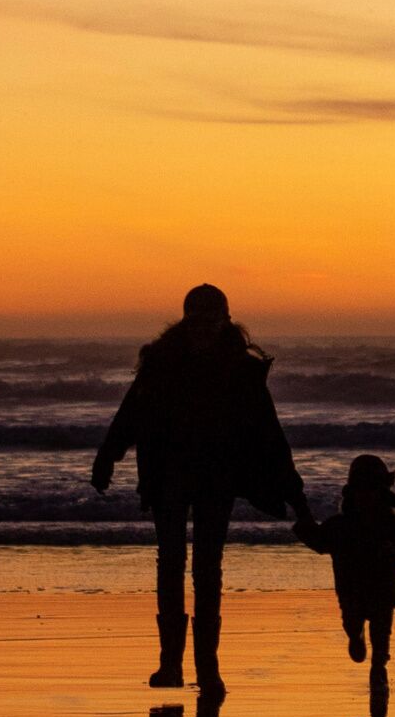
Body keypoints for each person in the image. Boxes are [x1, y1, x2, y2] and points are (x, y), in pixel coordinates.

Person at [92, 284, 303, 695]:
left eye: (211, 320)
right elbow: (130, 415)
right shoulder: (160, 364)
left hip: (216, 477)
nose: (204, 328)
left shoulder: (242, 369)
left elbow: (269, 433)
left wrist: (294, 489)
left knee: (207, 567)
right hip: (167, 475)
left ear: (224, 321)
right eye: (198, 321)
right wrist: (107, 458)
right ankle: (170, 663)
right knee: (171, 562)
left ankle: (208, 667)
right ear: (187, 322)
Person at [293, 452, 395, 672]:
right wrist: (303, 522)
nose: (366, 496)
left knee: (381, 633)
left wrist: (393, 554)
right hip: (351, 590)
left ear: (382, 493)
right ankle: (356, 636)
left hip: (383, 589)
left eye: (372, 490)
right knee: (351, 622)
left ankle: (379, 668)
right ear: (352, 493)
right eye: (361, 490)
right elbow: (320, 543)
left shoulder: (389, 525)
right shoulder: (340, 525)